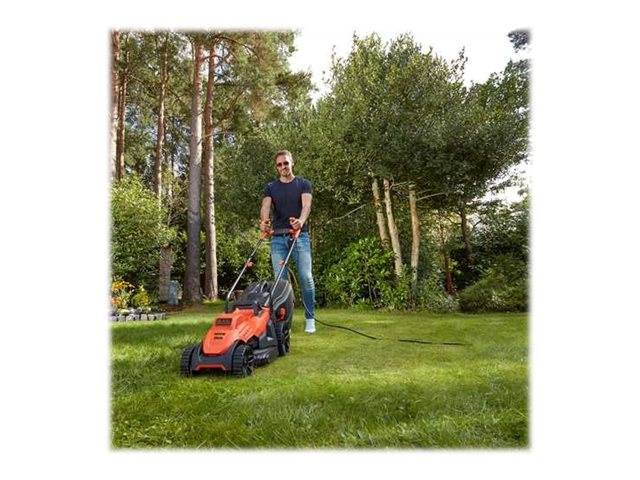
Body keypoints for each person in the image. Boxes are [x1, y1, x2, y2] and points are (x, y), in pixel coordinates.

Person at [260, 150, 316, 333]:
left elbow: (306, 205)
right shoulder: (271, 187)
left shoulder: (303, 184)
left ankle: (310, 319)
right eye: (279, 164)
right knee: (281, 283)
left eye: (286, 163)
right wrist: (264, 222)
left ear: (292, 163)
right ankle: (283, 323)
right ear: (277, 167)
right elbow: (265, 206)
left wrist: (301, 221)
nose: (283, 167)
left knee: (306, 277)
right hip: (278, 239)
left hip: (300, 237)